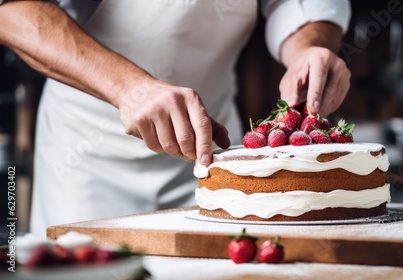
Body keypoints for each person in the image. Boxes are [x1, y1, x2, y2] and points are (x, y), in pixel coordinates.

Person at [0, 0, 352, 237]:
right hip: (86, 156)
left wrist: (308, 48)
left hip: (211, 157)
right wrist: (129, 88)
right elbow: (13, 11)